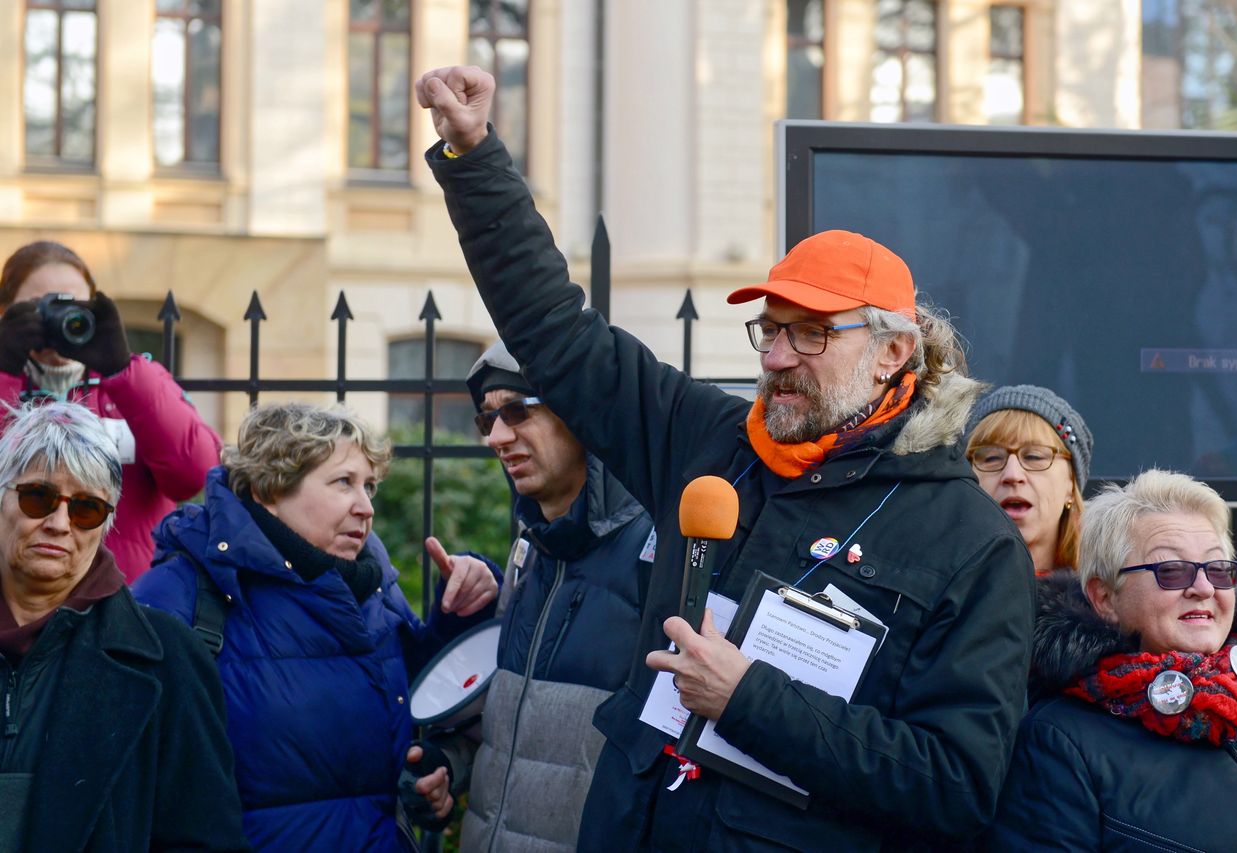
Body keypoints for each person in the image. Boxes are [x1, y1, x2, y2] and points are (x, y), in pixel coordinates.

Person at [415, 66, 1035, 850]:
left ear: (892, 353)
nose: (778, 355)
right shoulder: (708, 440)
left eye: (810, 332)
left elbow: (957, 781)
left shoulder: (969, 542)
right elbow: (557, 334)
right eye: (770, 330)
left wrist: (750, 700)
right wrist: (473, 158)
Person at [131, 402, 499, 852]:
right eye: (343, 482)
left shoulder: (368, 585)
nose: (365, 507)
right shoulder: (180, 593)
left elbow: (414, 699)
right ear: (270, 488)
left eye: (370, 487)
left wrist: (463, 611)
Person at [414, 341, 652, 850]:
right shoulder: (532, 548)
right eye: (487, 420)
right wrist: (450, 764)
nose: (497, 437)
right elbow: (515, 718)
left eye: (518, 411)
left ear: (586, 415)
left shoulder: (661, 553)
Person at [0, 401, 246, 851]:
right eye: (37, 497)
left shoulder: (167, 658)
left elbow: (204, 839)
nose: (58, 524)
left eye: (86, 509)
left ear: (106, 523)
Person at [991, 470, 1237, 849]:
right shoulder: (1057, 742)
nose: (1204, 588)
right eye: (1171, 571)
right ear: (1105, 598)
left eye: (1217, 568)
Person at [0, 241, 221, 581]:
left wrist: (122, 371)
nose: (57, 318)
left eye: (71, 306)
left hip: (125, 601)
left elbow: (193, 475)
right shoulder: (6, 380)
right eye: (39, 308)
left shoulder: (134, 384)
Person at [966, 384, 1093, 575]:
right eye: (991, 458)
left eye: (1034, 457)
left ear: (1070, 484)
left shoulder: (1110, 597)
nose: (1012, 475)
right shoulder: (932, 592)